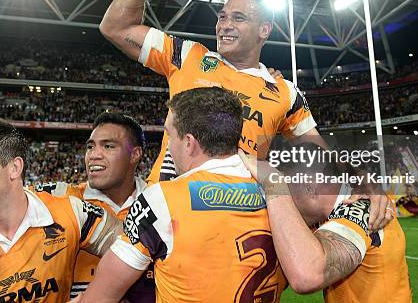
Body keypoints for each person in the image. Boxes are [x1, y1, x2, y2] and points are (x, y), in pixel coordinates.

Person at [98, 0, 391, 230]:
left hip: (242, 220)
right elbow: (115, 27)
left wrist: (361, 180)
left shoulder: (285, 92)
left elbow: (317, 152)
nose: (224, 25)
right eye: (223, 17)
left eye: (238, 18)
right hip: (168, 216)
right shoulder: (187, 56)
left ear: (264, 30)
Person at [75, 87, 287, 303]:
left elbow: (101, 296)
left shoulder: (163, 198)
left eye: (169, 135)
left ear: (188, 142)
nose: (168, 146)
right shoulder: (278, 194)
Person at [0, 113, 154, 301]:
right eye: (90, 146)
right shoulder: (62, 195)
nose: (94, 154)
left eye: (108, 146)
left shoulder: (159, 199)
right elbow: (5, 188)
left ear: (135, 154)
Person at [241, 142, 412, 303]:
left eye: (288, 187)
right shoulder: (338, 207)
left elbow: (306, 276)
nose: (289, 201)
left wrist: (274, 185)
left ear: (308, 187)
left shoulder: (359, 207)